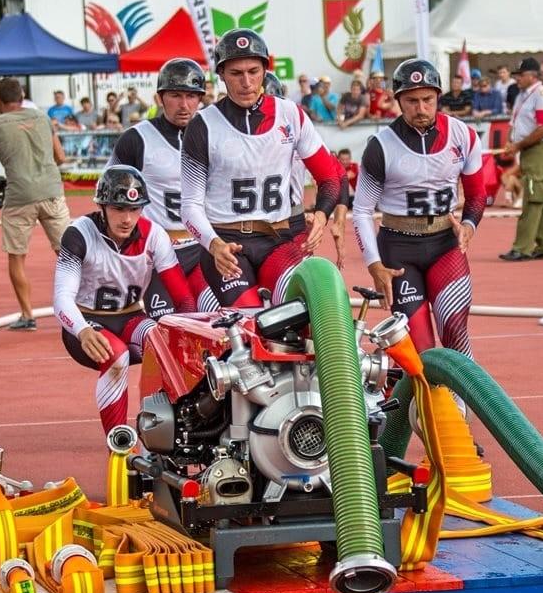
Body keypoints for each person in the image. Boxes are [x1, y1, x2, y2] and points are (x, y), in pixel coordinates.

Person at [180, 29, 345, 309]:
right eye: (236, 73)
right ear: (221, 74)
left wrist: (321, 215)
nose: (246, 82)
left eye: (253, 71)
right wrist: (213, 244)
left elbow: (329, 176)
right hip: (227, 243)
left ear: (265, 70)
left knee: (297, 316)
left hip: (278, 240)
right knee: (251, 327)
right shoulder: (202, 125)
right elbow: (190, 206)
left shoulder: (291, 114)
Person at [352, 59, 486, 371]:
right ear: (397, 100)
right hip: (398, 252)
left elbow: (478, 194)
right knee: (420, 348)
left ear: (438, 97)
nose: (421, 108)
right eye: (411, 101)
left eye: (428, 99)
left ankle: (463, 401)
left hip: (445, 246)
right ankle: (428, 412)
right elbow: (361, 211)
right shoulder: (381, 146)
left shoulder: (463, 135)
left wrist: (469, 225)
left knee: (454, 328)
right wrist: (374, 265)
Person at [54, 166, 195, 434]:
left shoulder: (154, 235)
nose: (127, 218)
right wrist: (82, 330)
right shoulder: (79, 233)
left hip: (130, 317)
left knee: (160, 341)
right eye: (118, 209)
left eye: (134, 209)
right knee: (116, 355)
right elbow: (61, 298)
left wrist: (186, 338)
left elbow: (183, 298)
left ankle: (159, 438)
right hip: (84, 324)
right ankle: (118, 447)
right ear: (102, 206)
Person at [106, 58, 216, 314]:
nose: (184, 104)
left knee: (217, 319)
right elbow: (109, 193)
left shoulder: (215, 134)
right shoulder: (136, 139)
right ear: (160, 97)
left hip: (204, 249)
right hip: (158, 252)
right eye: (175, 95)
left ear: (201, 98)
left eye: (191, 96)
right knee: (164, 328)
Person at [0, 76, 70, 331]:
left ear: (0, 101)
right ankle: (82, 308)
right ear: (21, 96)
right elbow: (60, 157)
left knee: (17, 258)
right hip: (51, 191)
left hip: (19, 198)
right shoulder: (42, 118)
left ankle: (27, 315)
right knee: (68, 255)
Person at [263, 72, 348, 269]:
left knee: (294, 291)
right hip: (246, 229)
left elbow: (337, 173)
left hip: (292, 225)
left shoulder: (294, 130)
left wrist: (337, 220)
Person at [499, 57, 543, 262]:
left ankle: (522, 247)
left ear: (532, 76)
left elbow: (542, 129)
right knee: (539, 196)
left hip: (538, 149)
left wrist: (517, 146)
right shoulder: (523, 95)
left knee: (532, 195)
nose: (518, 79)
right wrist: (510, 143)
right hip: (529, 149)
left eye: (521, 75)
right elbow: (515, 123)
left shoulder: (541, 95)